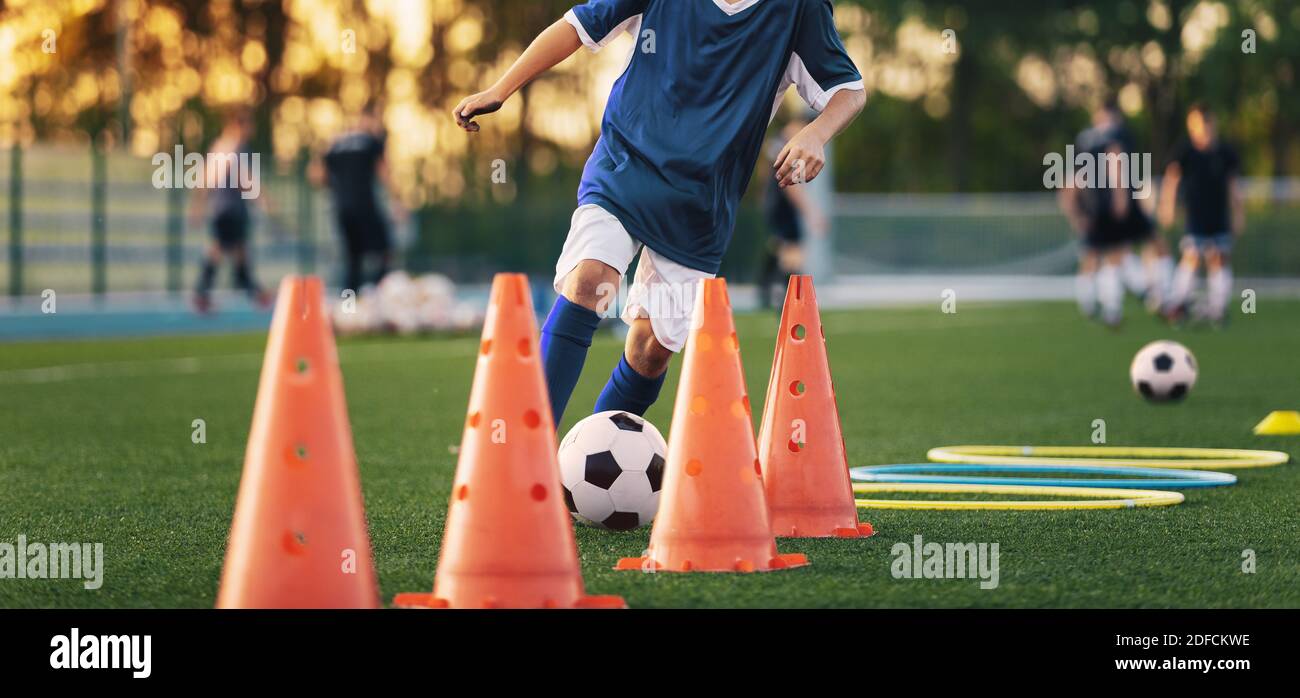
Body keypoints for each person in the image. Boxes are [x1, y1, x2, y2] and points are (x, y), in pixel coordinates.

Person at [453, 0, 865, 425]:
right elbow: (576, 26)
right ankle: (530, 452)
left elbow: (849, 90)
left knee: (650, 352)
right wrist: (499, 89)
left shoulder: (798, 8)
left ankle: (591, 462)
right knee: (590, 279)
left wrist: (817, 133)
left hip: (701, 201)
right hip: (626, 164)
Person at [1060, 101, 1165, 327]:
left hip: (1093, 208)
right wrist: (1120, 197)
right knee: (1127, 251)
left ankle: (1100, 304)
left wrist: (1075, 212)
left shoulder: (1084, 139)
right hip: (1111, 205)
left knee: (1101, 256)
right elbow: (1114, 160)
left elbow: (1073, 181)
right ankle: (1141, 298)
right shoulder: (1117, 135)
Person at [1158, 103, 1244, 327]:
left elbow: (1233, 185)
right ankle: (1178, 304)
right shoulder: (1185, 150)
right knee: (1192, 256)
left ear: (1213, 123)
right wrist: (1168, 206)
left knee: (1219, 258)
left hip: (1218, 214)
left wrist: (1238, 213)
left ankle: (1218, 309)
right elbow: (1172, 179)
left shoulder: (1225, 152)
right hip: (1195, 215)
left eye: (1206, 122)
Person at [315, 102, 401, 294]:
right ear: (368, 119)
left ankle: (349, 308)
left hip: (342, 208)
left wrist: (339, 185)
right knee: (385, 252)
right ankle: (376, 295)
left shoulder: (334, 144)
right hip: (365, 205)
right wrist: (398, 202)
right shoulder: (371, 142)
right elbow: (384, 173)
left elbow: (317, 175)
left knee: (353, 259)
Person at [190, 110, 272, 313]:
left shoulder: (218, 147)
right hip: (232, 208)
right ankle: (207, 292)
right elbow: (244, 179)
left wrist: (198, 207)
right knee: (222, 250)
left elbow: (205, 180)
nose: (251, 131)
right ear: (238, 125)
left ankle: (251, 290)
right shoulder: (236, 148)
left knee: (235, 250)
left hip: (220, 207)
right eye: (249, 126)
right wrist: (263, 199)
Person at [758, 109, 828, 310]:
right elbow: (793, 185)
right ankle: (787, 302)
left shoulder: (778, 141)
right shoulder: (796, 145)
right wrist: (811, 212)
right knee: (794, 253)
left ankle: (765, 288)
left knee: (779, 247)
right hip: (783, 206)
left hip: (773, 203)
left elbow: (766, 173)